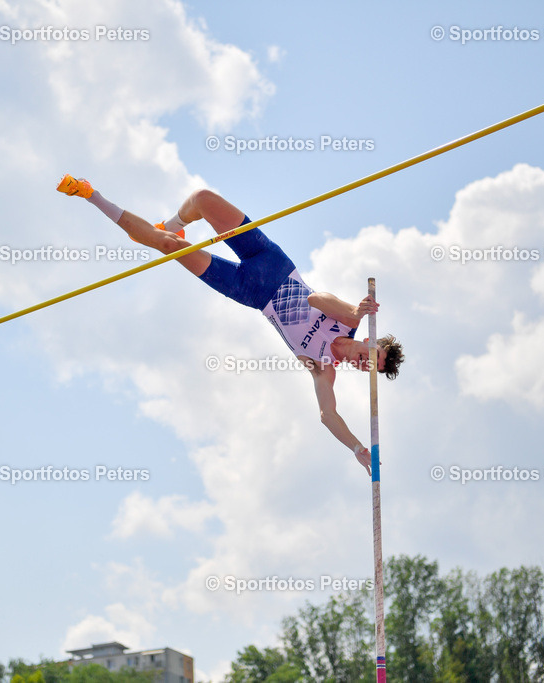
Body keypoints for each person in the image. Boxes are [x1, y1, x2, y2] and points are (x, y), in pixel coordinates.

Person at [58, 175, 403, 475]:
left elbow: (328, 415)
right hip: (272, 261)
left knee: (166, 246)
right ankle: (174, 221)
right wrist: (356, 314)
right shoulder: (348, 320)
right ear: (371, 341)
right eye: (374, 354)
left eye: (372, 367)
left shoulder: (322, 369)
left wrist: (358, 448)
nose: (367, 362)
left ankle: (91, 194)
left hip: (247, 289)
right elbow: (316, 300)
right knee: (203, 200)